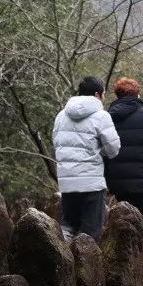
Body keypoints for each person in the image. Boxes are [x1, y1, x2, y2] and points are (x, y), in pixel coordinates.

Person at [53, 76, 121, 241]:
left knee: (68, 228)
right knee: (90, 233)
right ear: (98, 94)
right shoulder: (102, 116)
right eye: (104, 94)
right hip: (91, 182)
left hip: (67, 181)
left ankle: (62, 255)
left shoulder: (61, 115)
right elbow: (113, 149)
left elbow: (56, 144)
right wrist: (100, 151)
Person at [103, 77, 143, 220]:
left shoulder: (107, 116)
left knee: (122, 223)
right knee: (142, 223)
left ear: (117, 95)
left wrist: (107, 179)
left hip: (116, 181)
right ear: (137, 94)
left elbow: (104, 150)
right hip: (142, 181)